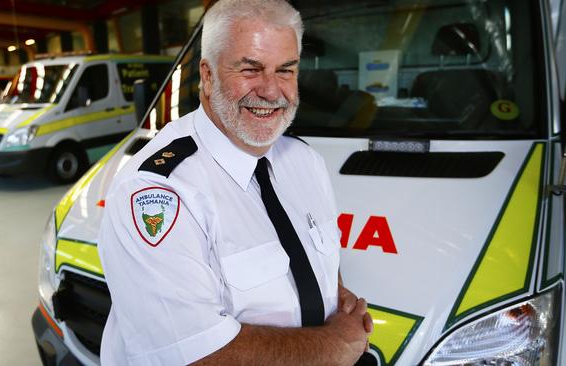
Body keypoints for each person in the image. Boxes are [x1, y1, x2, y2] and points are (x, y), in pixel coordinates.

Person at [97, 0, 373, 364]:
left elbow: (317, 256)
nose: (272, 91)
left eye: (286, 70)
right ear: (207, 76)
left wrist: (335, 296)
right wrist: (336, 346)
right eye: (251, 69)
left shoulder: (306, 162)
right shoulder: (158, 192)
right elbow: (197, 357)